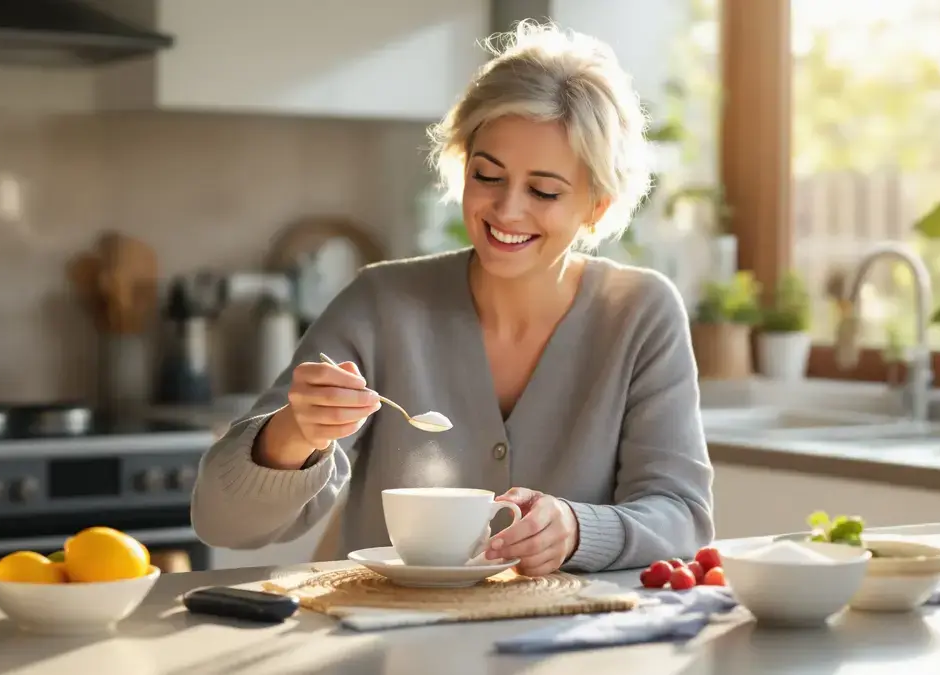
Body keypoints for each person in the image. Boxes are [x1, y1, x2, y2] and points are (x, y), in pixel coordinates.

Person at [191, 20, 714, 577]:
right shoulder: (382, 304)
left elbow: (682, 517)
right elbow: (222, 524)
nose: (507, 210)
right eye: (487, 175)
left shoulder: (640, 314)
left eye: (543, 191)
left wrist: (579, 529)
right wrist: (296, 433)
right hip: (388, 648)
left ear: (597, 206)